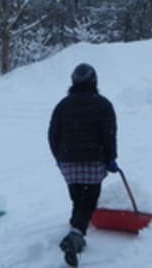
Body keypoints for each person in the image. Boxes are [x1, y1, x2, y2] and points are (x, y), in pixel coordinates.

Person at [48, 63, 119, 267]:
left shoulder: (63, 105)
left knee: (78, 197)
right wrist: (111, 158)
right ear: (94, 81)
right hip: (94, 161)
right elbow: (109, 134)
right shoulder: (103, 104)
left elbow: (53, 135)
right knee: (89, 200)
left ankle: (74, 225)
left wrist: (59, 157)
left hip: (68, 162)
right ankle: (75, 236)